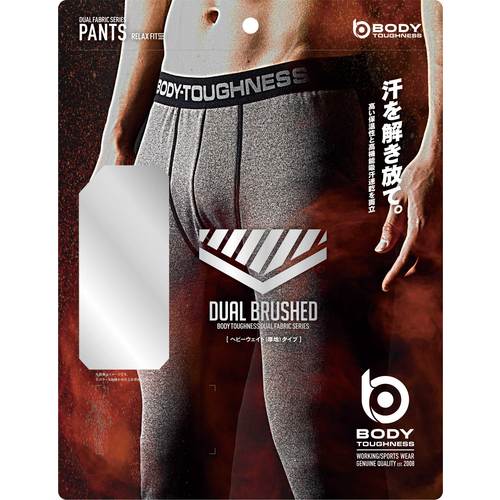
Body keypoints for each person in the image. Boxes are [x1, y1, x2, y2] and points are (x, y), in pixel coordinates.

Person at [95, 1, 442, 498]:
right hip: (164, 128)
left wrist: (436, 149)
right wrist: (116, 141)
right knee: (168, 467)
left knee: (320, 459)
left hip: (293, 119)